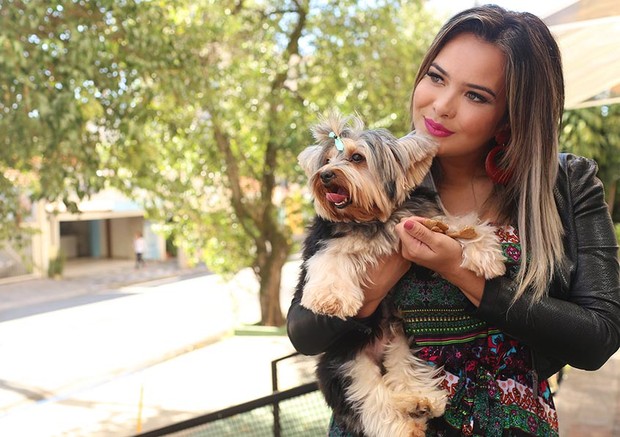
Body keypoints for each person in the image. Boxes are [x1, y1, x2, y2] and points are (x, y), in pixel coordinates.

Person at [287, 4, 620, 436]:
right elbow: (305, 333)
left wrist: (463, 271)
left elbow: (598, 337)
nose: (441, 106)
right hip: (384, 421)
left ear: (512, 112)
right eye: (436, 77)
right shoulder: (381, 180)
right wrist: (373, 283)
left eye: (476, 95)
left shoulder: (567, 184)